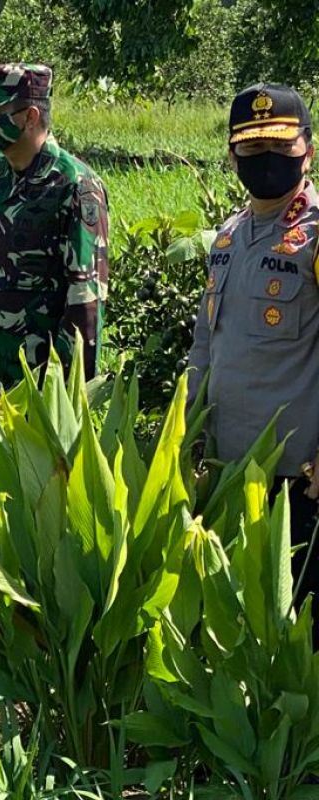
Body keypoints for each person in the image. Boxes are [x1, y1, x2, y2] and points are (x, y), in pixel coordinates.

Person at [187, 82, 319, 615]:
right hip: (229, 470)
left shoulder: (314, 235)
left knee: (298, 634)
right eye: (252, 147)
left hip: (296, 482)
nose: (267, 160)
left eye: (280, 147)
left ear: (307, 148)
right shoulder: (228, 236)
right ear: (232, 153)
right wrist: (187, 430)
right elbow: (206, 344)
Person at [0, 63, 109, 392]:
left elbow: (84, 303)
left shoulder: (75, 186)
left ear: (30, 116)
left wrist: (69, 394)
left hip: (36, 382)